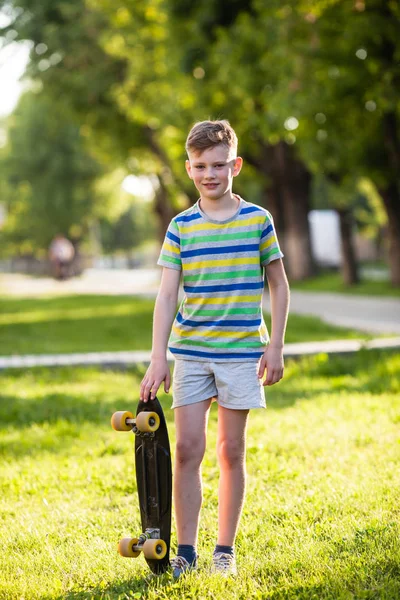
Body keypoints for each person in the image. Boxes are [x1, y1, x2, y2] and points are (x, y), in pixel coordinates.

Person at [140, 120, 290, 577]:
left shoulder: (257, 220)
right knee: (187, 449)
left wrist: (276, 346)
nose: (210, 174)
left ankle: (224, 550)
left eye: (219, 165)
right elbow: (167, 295)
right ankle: (186, 551)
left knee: (230, 451)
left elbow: (279, 287)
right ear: (189, 168)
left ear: (235, 165)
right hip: (192, 353)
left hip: (243, 353)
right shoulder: (181, 225)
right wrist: (157, 357)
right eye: (201, 166)